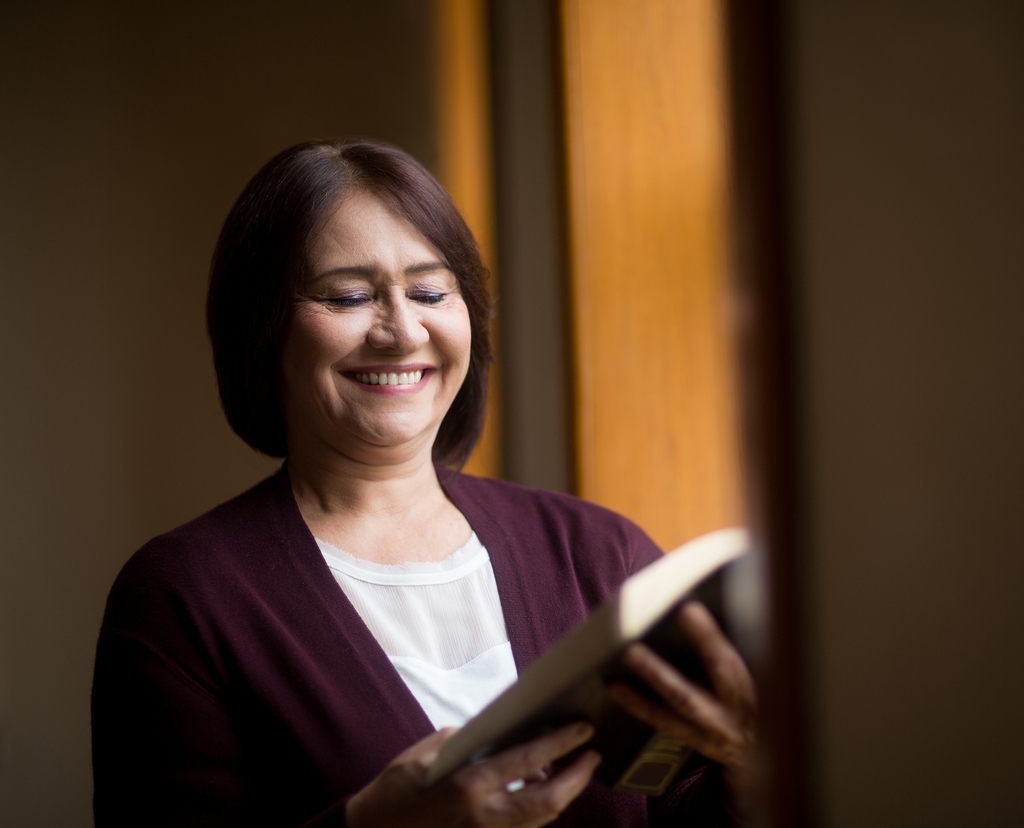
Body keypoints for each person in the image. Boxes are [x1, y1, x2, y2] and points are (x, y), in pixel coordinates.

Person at [91, 139, 756, 827]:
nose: (402, 330)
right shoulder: (184, 596)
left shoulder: (600, 552)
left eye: (431, 291)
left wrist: (754, 764)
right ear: (262, 329)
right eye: (348, 296)